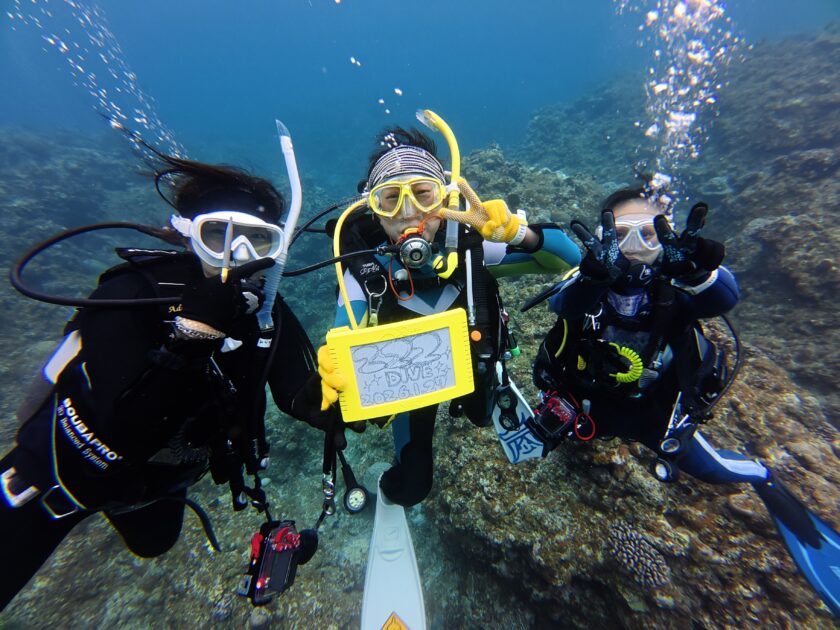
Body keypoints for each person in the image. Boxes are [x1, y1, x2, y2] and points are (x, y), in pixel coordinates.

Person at [0, 155, 318, 610]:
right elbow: (125, 431)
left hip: (159, 481)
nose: (238, 257)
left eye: (257, 242)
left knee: (154, 542)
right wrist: (193, 338)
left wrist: (323, 403)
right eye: (218, 236)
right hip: (52, 480)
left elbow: (294, 392)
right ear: (189, 234)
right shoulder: (130, 294)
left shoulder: (264, 310)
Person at [529, 186, 839, 616]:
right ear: (604, 237)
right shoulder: (591, 275)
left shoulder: (675, 283)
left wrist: (697, 272)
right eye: (621, 234)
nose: (635, 248)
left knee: (711, 470)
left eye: (650, 235)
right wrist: (592, 278)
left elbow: (724, 296)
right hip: (590, 403)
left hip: (654, 411)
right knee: (564, 437)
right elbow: (563, 305)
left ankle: (764, 477)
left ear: (668, 238)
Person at [293, 124, 581, 507]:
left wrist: (517, 233)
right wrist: (330, 368)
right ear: (373, 211)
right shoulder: (364, 272)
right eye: (390, 199)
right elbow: (342, 332)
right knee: (412, 488)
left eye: (423, 194)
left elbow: (568, 260)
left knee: (482, 415)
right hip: (414, 389)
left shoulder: (474, 248)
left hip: (476, 369)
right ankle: (389, 485)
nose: (409, 213)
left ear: (444, 198)